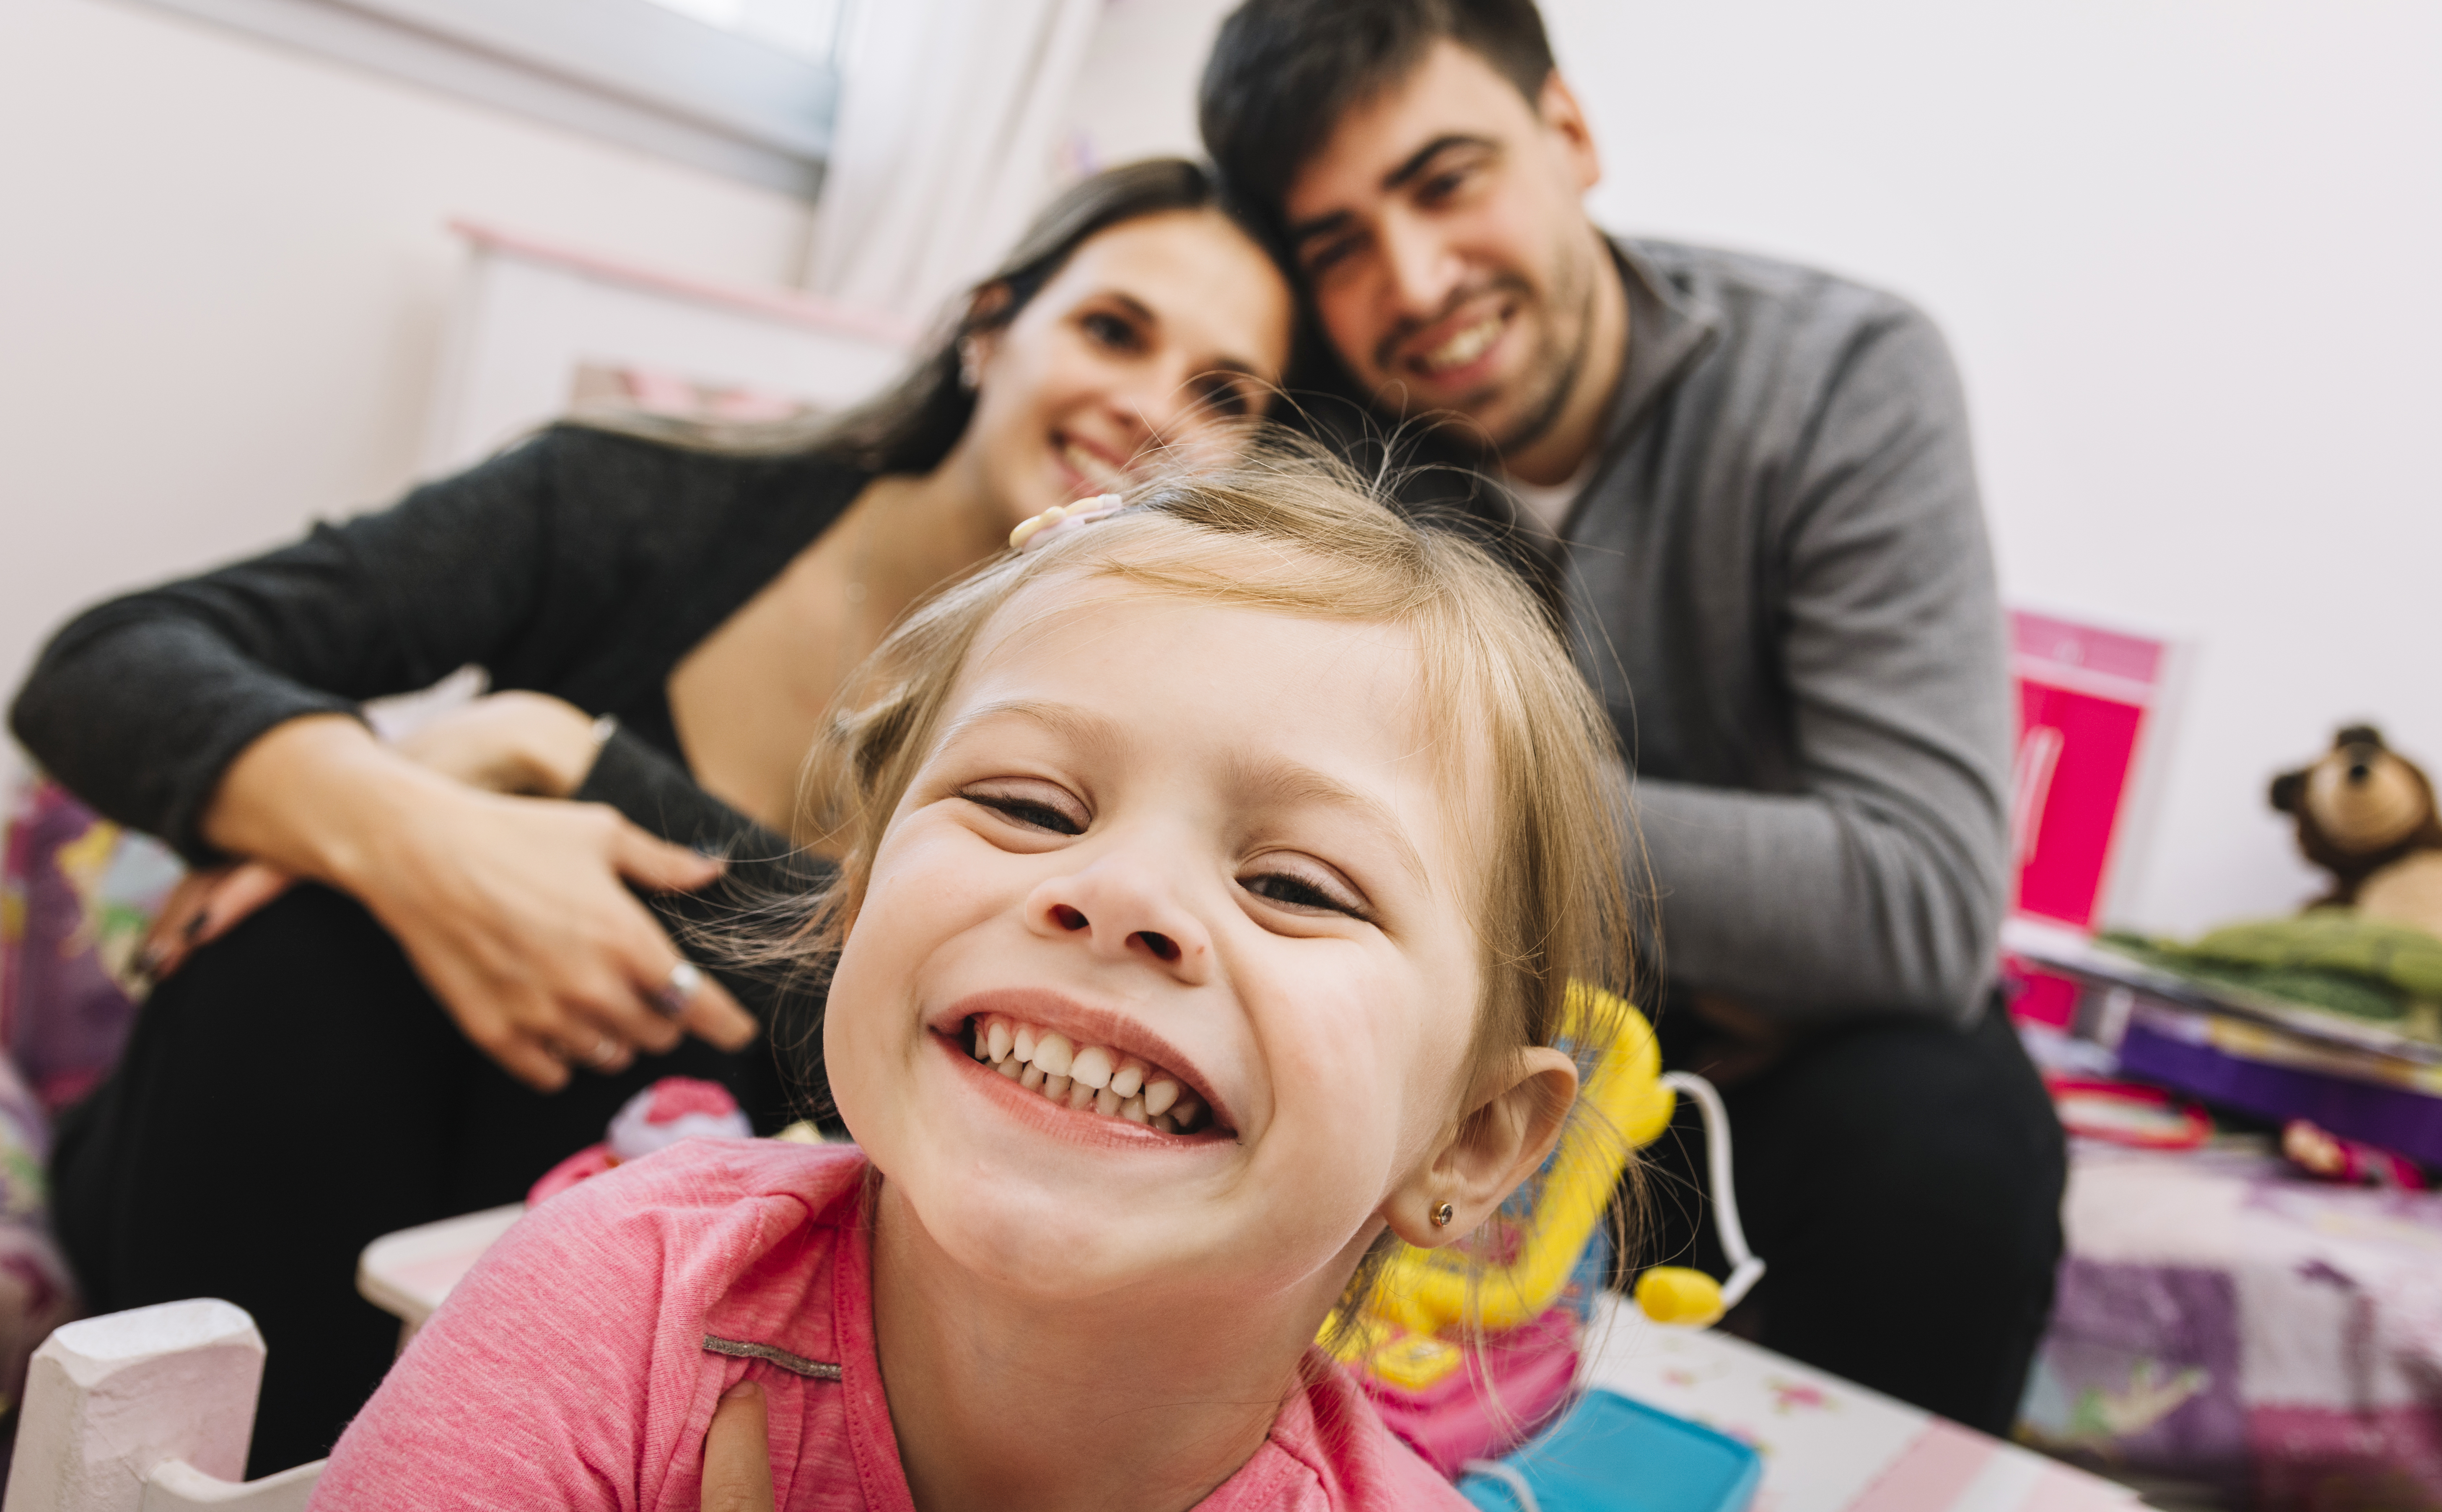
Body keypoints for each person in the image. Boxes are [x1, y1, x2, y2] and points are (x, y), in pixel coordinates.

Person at [8, 158, 1296, 1472]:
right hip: (274, 1170)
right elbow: (112, 662)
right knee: (321, 935)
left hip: (632, 1286)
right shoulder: (625, 502)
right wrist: (396, 818)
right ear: (991, 324)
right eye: (1112, 329)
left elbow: (887, 1037)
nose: (1146, 408)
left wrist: (564, 752)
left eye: (1221, 394)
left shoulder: (1144, 726)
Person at [308, 449, 1631, 1511]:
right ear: (862, 891)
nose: (1118, 896)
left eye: (1294, 885)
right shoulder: (619, 1303)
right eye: (1028, 805)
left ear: (1473, 1139)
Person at [1197, 0, 2065, 1434]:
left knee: (1948, 1138)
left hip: (1768, 1086)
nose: (1415, 280)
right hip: (1437, 1035)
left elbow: (1922, 901)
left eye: (1445, 179)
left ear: (1571, 131)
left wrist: (1470, 805)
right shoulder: (1314, 437)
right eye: (1337, 243)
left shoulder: (1843, 379)